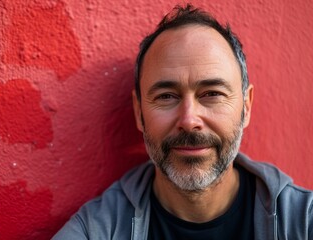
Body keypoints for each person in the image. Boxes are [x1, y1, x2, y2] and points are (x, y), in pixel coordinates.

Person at [53, 4, 313, 240]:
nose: (189, 120)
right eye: (166, 96)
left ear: (246, 107)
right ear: (138, 112)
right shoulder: (95, 231)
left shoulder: (303, 222)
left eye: (212, 94)